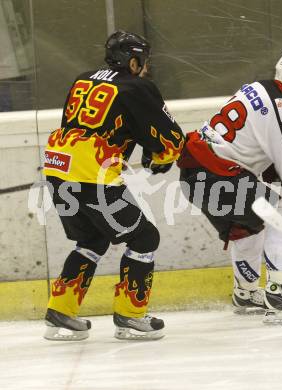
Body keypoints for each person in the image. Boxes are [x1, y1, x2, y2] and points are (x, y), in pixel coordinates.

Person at [178, 52, 282, 323]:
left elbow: (264, 154)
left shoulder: (255, 89)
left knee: (249, 225)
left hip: (193, 178)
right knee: (278, 210)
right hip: (217, 175)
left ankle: (245, 292)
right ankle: (278, 292)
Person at [42, 30, 185, 340]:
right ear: (133, 61)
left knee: (92, 240)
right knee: (145, 238)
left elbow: (83, 126)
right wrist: (161, 156)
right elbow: (171, 138)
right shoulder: (136, 86)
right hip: (92, 175)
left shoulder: (82, 79)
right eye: (143, 62)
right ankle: (131, 317)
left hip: (58, 168)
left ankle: (60, 312)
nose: (145, 68)